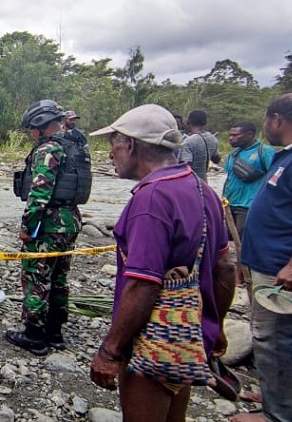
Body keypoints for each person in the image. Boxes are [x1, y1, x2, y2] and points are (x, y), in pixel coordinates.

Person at [88, 104, 235, 422]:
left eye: (113, 142)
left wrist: (110, 351)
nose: (111, 152)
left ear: (131, 144)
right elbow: (226, 268)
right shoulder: (202, 188)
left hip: (153, 344)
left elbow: (143, 284)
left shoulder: (151, 199)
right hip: (187, 337)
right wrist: (215, 324)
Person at [5, 100, 83, 356]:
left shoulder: (47, 150)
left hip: (49, 224)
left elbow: (39, 194)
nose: (31, 133)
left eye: (31, 129)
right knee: (59, 276)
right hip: (69, 220)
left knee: (37, 276)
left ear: (39, 126)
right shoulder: (73, 147)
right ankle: (55, 332)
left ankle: (35, 334)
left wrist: (27, 227)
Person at [233, 94, 292, 422]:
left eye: (267, 119)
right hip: (267, 263)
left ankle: (277, 414)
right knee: (271, 336)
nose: (266, 126)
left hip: (279, 270)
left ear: (277, 120)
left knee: (275, 338)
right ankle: (275, 393)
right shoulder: (283, 159)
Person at [222, 121, 275, 239]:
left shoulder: (264, 151)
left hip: (249, 205)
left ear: (249, 134)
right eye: (230, 135)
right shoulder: (233, 154)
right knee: (226, 238)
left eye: (235, 135)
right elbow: (228, 178)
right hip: (230, 204)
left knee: (244, 239)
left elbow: (275, 177)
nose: (231, 138)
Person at [179, 109, 221, 182]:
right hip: (204, 182)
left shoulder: (188, 142)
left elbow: (185, 167)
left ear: (188, 122)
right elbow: (216, 160)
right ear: (205, 123)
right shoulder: (213, 139)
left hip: (191, 183)